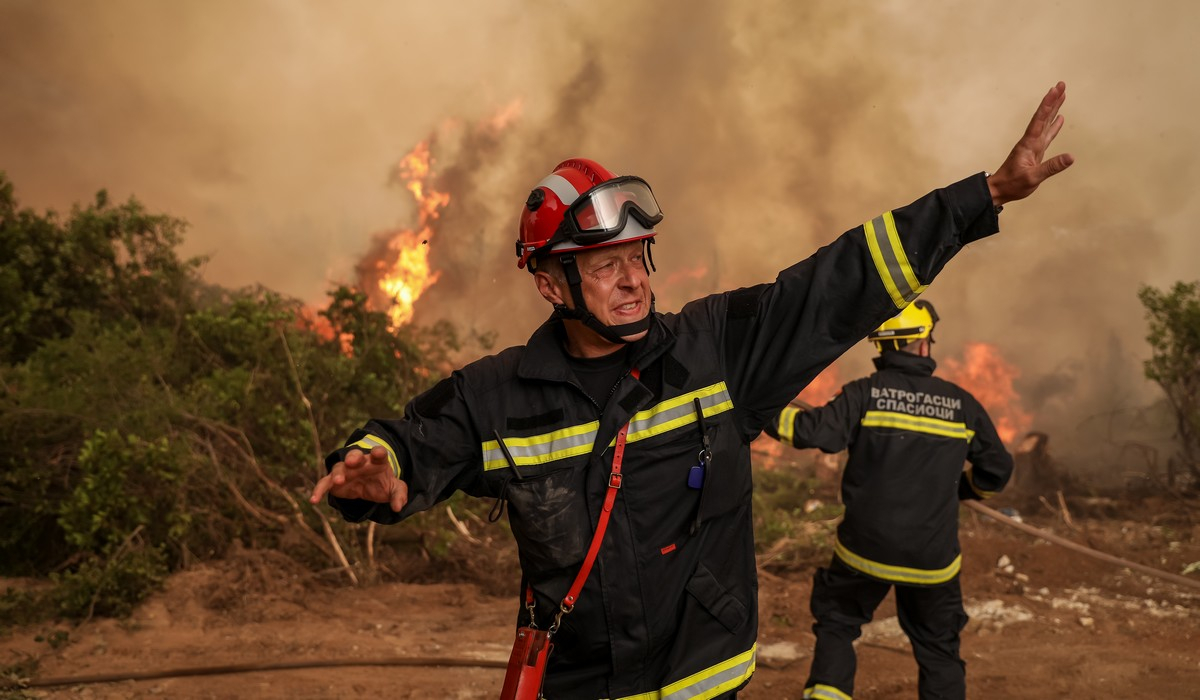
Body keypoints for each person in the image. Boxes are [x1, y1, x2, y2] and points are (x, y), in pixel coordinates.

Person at [309, 82, 1073, 699]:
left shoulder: (718, 349)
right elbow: (412, 445)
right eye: (605, 264)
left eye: (640, 254)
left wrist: (985, 196)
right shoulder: (497, 394)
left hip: (706, 682)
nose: (635, 278)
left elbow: (839, 283)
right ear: (550, 283)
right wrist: (376, 471)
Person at [765, 300, 1014, 700]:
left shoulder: (865, 394)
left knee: (838, 625)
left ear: (882, 347)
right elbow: (998, 469)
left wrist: (759, 408)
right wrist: (964, 491)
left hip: (864, 552)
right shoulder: (961, 404)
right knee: (938, 648)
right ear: (920, 344)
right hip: (932, 560)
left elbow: (810, 432)